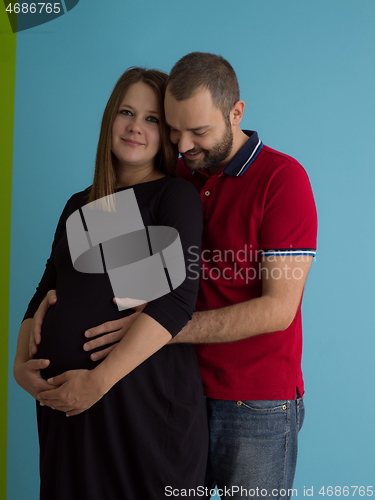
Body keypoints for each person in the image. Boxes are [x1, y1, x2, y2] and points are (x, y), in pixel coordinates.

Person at [29, 53, 318, 499]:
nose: (183, 146)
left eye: (198, 132)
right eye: (175, 130)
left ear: (236, 112)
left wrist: (158, 327)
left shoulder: (283, 181)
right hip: (180, 389)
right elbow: (85, 268)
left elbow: (278, 310)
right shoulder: (175, 176)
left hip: (254, 402)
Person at [13, 67, 208, 500]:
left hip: (141, 410)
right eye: (126, 111)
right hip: (67, 413)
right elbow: (47, 286)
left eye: (152, 118)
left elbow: (176, 302)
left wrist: (96, 383)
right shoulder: (79, 205)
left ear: (168, 134)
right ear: (109, 120)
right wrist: (18, 368)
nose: (136, 126)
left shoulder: (172, 197)